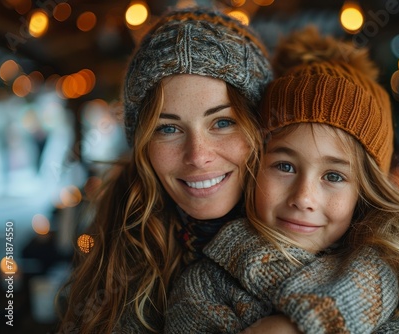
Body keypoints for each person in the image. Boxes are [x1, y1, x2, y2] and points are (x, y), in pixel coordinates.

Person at [164, 27, 399, 334]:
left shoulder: (396, 273)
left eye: (334, 176)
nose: (304, 197)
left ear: (364, 193)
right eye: (284, 166)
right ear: (254, 165)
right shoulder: (204, 290)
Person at [56, 7, 272, 334]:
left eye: (223, 122)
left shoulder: (326, 232)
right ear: (142, 143)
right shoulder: (113, 256)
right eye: (168, 129)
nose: (198, 156)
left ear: (261, 128)